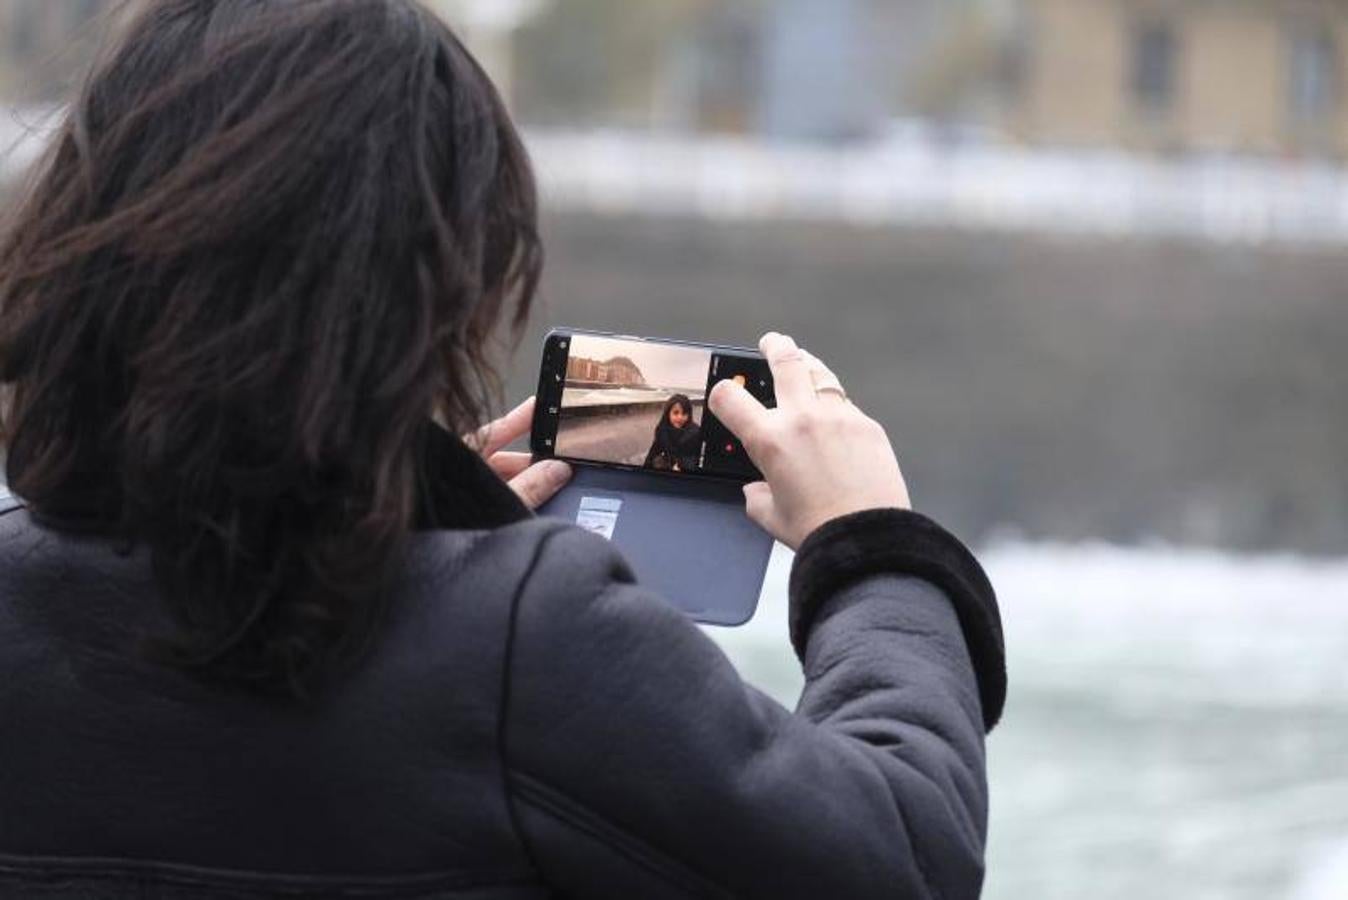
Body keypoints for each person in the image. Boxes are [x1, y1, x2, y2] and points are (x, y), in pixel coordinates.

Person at [0, 2, 1005, 898]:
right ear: (429, 283)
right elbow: (902, 855)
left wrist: (413, 520)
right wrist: (872, 546)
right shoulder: (523, 640)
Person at [643, 393, 702, 472]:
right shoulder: (662, 430)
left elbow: (695, 459)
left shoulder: (695, 433)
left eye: (684, 413)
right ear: (668, 414)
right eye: (676, 413)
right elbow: (653, 452)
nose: (680, 417)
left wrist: (681, 466)